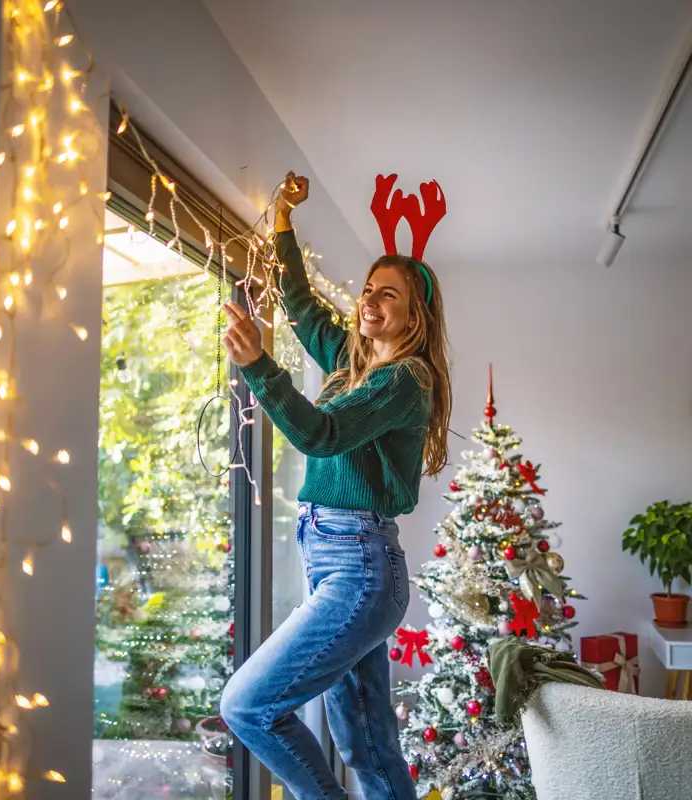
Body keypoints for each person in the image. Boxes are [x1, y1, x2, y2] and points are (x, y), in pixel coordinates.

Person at [220, 172, 452, 800]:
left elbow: (320, 436)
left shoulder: (406, 379)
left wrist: (257, 368)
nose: (370, 301)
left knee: (246, 706)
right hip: (337, 560)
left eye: (389, 296)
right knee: (367, 746)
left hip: (360, 567)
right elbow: (300, 305)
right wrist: (285, 223)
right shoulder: (354, 363)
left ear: (415, 317)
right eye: (369, 289)